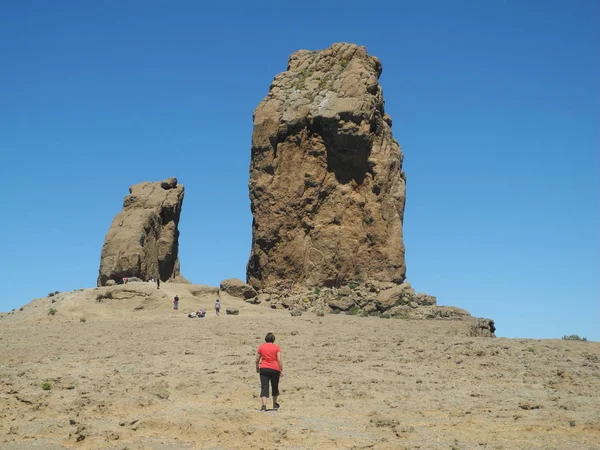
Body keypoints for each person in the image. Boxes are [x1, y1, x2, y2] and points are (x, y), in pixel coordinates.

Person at [255, 332, 283, 411]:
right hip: (275, 369)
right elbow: (279, 360)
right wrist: (281, 370)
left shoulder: (261, 347)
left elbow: (257, 359)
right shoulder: (277, 347)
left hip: (264, 368)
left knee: (264, 387)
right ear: (273, 339)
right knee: (275, 386)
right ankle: (275, 404)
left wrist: (257, 367)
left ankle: (264, 406)